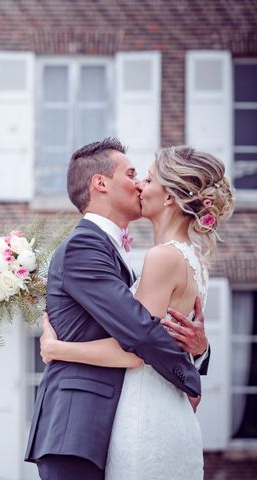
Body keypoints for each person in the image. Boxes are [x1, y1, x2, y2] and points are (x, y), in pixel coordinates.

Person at [24, 139, 220, 480]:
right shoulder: (85, 246)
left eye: (146, 178)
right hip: (77, 430)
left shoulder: (139, 257)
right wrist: (191, 375)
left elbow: (145, 334)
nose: (140, 184)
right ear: (101, 183)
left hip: (119, 423)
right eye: (132, 174)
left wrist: (199, 353)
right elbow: (142, 335)